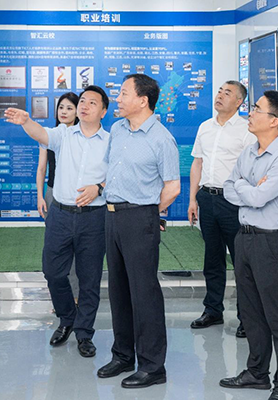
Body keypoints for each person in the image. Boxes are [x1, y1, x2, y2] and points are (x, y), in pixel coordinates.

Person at [4, 85, 110, 358]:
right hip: (60, 214)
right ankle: (67, 318)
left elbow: (117, 176)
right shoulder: (64, 134)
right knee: (53, 271)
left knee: (89, 279)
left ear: (103, 111)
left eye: (92, 102)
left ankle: (84, 334)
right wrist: (26, 121)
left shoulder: (110, 142)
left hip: (94, 218)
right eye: (82, 101)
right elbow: (42, 134)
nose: (84, 105)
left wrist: (99, 187)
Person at [97, 74, 180, 389]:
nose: (117, 99)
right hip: (112, 216)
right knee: (118, 290)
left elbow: (172, 186)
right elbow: (111, 171)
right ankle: (123, 355)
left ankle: (152, 366)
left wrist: (149, 212)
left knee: (144, 293)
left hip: (140, 217)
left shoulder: (161, 139)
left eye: (123, 93)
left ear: (143, 100)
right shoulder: (118, 129)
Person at [221, 90, 278, 400]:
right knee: (251, 312)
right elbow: (229, 189)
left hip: (271, 243)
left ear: (274, 120)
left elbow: (258, 197)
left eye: (256, 109)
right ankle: (256, 373)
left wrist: (246, 188)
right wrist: (247, 186)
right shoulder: (249, 151)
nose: (250, 113)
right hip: (244, 238)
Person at [188, 81, 256, 336]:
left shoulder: (246, 130)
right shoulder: (205, 127)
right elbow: (197, 163)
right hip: (207, 197)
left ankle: (246, 317)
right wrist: (193, 199)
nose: (220, 96)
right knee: (212, 258)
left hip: (233, 201)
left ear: (239, 102)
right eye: (219, 91)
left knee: (241, 261)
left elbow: (252, 168)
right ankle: (212, 310)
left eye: (228, 93)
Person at [36, 93, 80, 303]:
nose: (64, 111)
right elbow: (41, 168)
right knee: (56, 249)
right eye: (61, 107)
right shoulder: (49, 135)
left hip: (77, 197)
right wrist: (40, 196)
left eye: (69, 108)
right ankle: (60, 297)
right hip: (53, 194)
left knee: (77, 249)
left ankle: (76, 294)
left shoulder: (84, 136)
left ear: (78, 112)